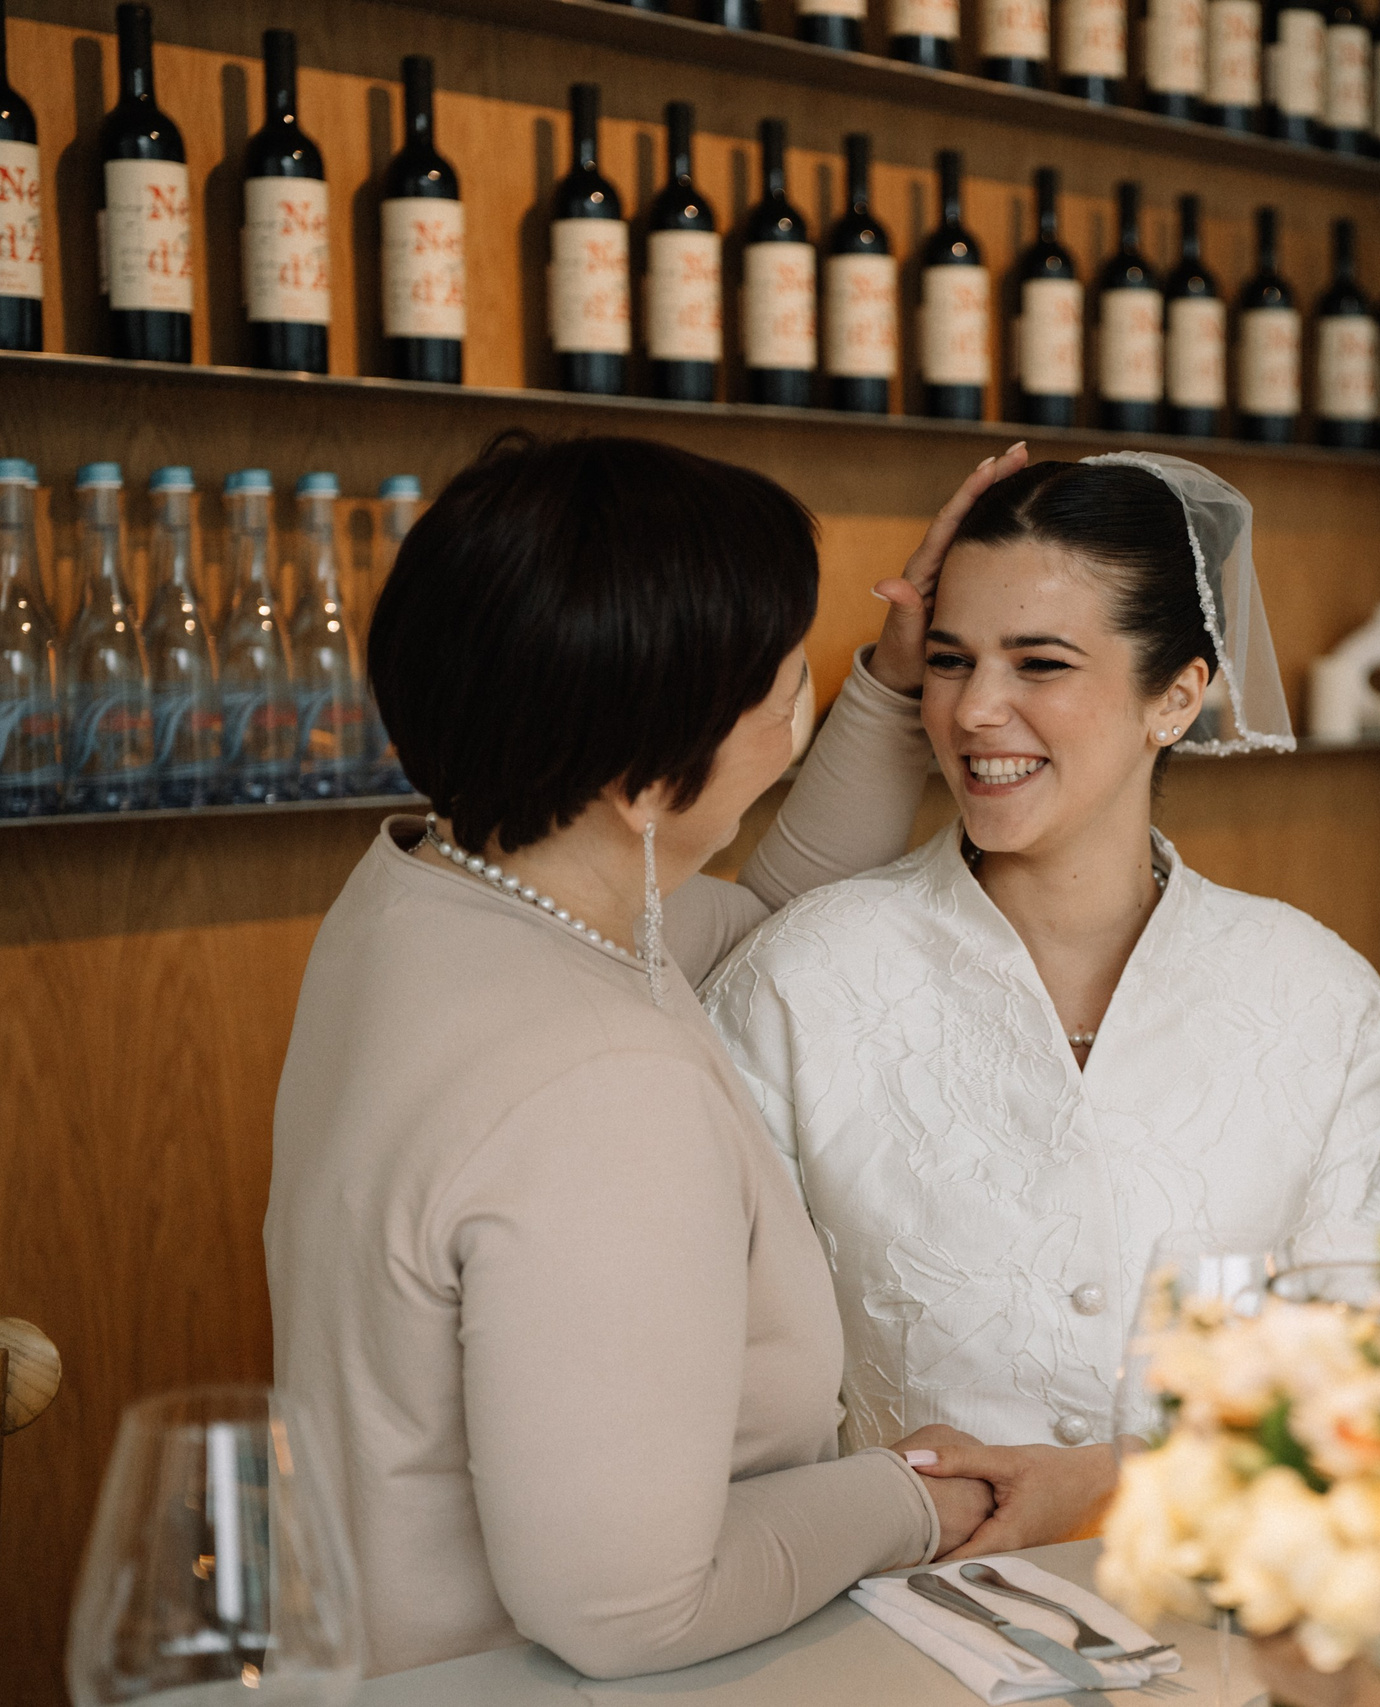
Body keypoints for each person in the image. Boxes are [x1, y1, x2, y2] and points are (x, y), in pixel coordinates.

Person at [265, 433, 1034, 1679]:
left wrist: (893, 682)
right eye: (785, 678)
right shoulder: (604, 1091)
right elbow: (630, 1611)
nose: (800, 702)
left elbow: (774, 919)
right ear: (644, 776)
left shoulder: (428, 900)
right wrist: (909, 1497)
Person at [701, 453, 1380, 1551]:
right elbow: (720, 1389)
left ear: (1177, 697)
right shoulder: (800, 983)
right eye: (949, 662)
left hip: (1230, 1628)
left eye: (1038, 663)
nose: (976, 710)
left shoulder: (1316, 1000)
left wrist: (1116, 1491)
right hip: (886, 1633)